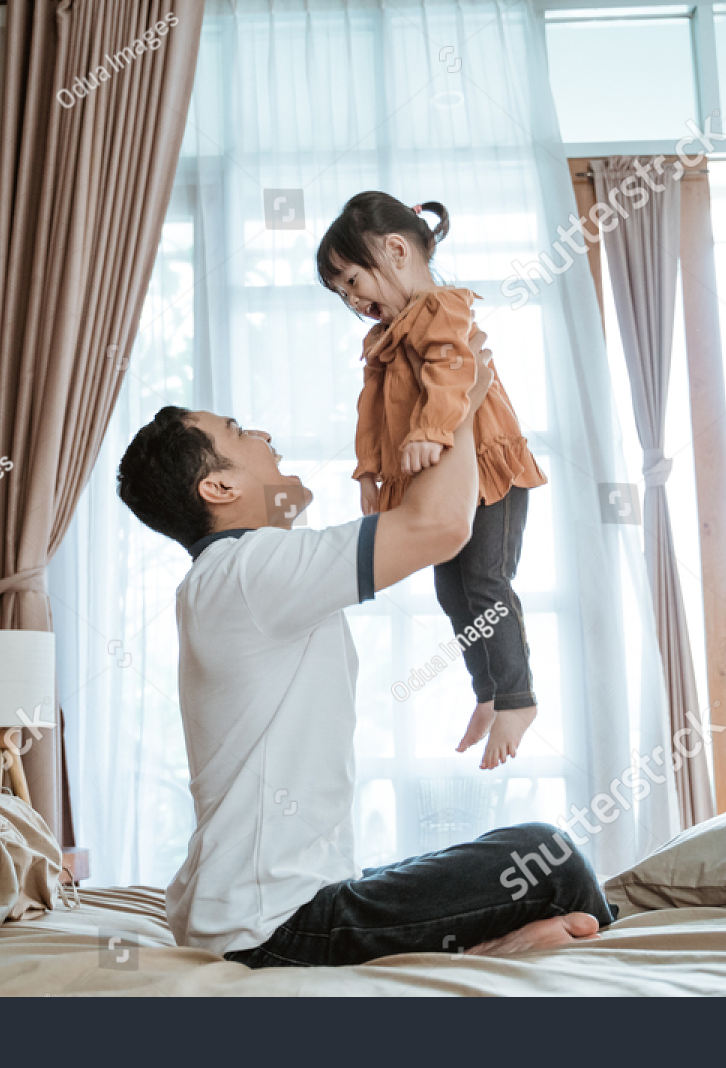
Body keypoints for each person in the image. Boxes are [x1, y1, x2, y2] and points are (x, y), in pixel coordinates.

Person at [115, 342, 613, 968]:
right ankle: (568, 952)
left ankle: (491, 945)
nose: (263, 433)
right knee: (552, 859)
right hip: (274, 929)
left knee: (501, 861)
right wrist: (460, 400)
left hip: (273, 910)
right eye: (239, 432)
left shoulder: (236, 577)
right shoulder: (249, 568)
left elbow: (430, 537)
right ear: (218, 485)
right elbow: (438, 528)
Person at [317, 192, 546, 770]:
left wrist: (433, 429)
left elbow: (454, 370)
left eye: (352, 280)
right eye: (342, 293)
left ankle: (518, 697)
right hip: (442, 476)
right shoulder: (383, 340)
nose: (351, 298)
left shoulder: (443, 309)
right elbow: (371, 413)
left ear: (396, 250)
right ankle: (489, 691)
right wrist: (371, 472)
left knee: (487, 580)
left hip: (487, 466)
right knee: (453, 592)